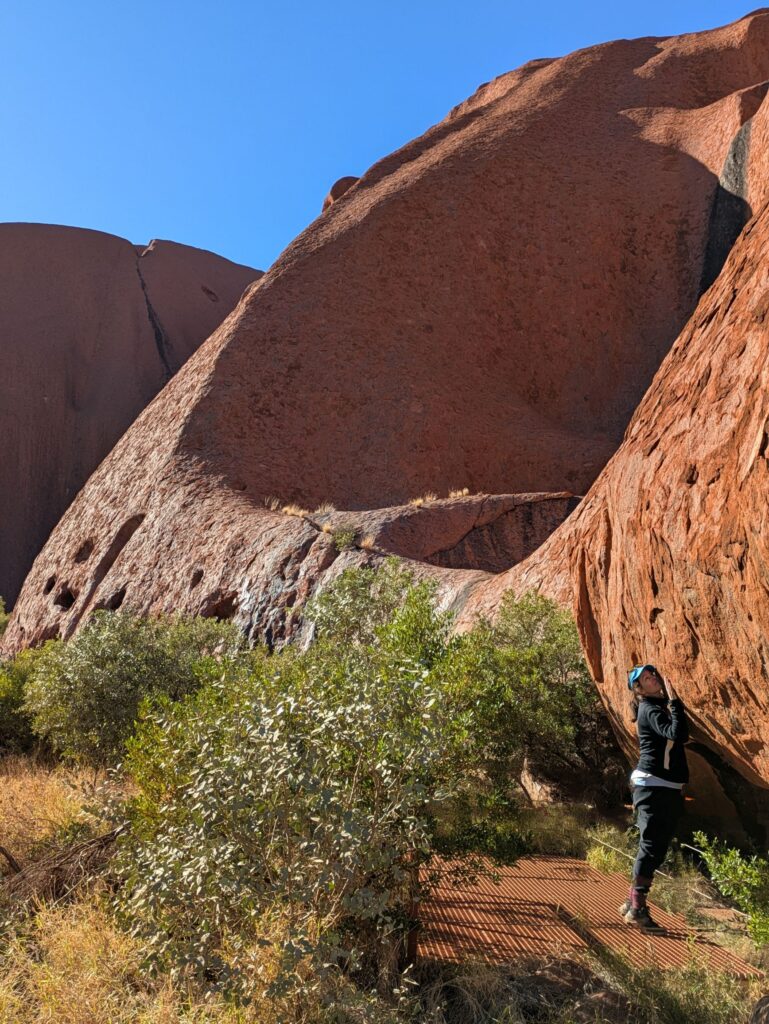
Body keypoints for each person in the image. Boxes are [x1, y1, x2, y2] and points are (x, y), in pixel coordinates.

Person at [619, 663, 689, 933]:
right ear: (639, 689)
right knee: (650, 847)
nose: (652, 679)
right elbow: (677, 734)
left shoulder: (654, 707)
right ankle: (637, 909)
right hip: (653, 786)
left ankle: (631, 902)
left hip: (665, 786)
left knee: (655, 847)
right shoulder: (649, 709)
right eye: (645, 679)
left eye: (652, 675)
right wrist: (675, 702)